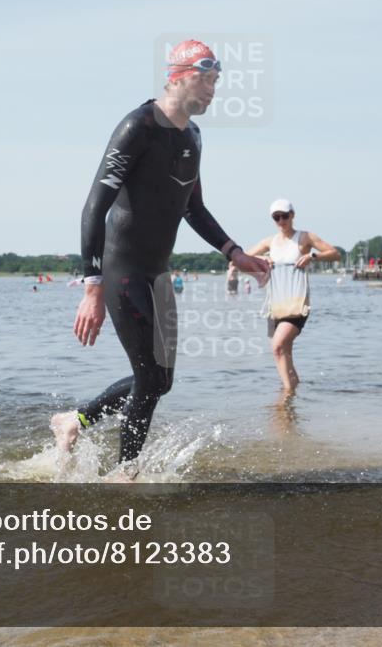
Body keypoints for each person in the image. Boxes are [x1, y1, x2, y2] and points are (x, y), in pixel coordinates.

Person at [50, 39, 271, 479]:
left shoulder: (194, 135)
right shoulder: (138, 127)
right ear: (179, 75)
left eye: (217, 81)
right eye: (206, 79)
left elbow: (192, 207)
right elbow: (94, 206)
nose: (213, 90)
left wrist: (234, 252)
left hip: (158, 274)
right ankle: (125, 475)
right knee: (149, 379)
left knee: (161, 382)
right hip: (122, 270)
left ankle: (74, 422)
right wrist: (92, 286)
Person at [245, 199, 340, 394]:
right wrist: (263, 258)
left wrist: (312, 256)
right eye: (276, 217)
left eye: (284, 216)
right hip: (276, 306)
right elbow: (243, 258)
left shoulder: (304, 237)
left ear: (292, 215)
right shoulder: (269, 242)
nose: (281, 220)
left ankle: (286, 396)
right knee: (283, 352)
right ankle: (291, 392)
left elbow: (335, 254)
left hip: (297, 305)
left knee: (277, 345)